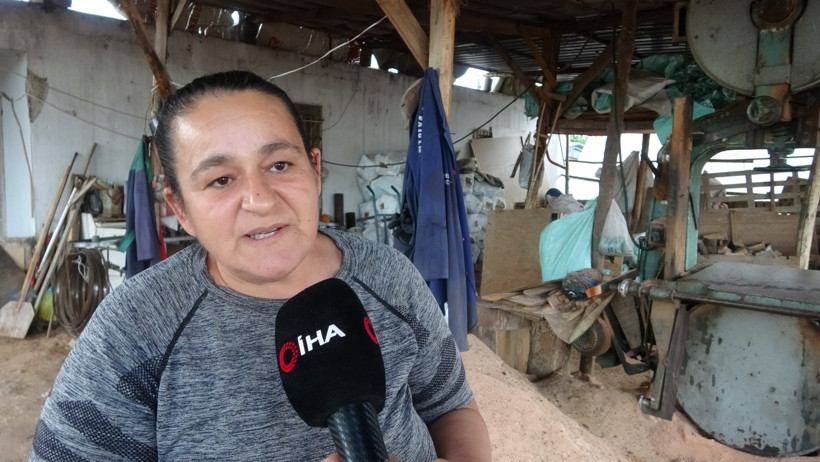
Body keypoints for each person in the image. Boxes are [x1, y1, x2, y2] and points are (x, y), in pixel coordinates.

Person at [29, 70, 492, 462]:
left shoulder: (389, 276)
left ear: (314, 170)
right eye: (221, 179)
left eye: (279, 165)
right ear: (180, 208)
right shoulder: (136, 325)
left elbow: (451, 406)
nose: (260, 199)